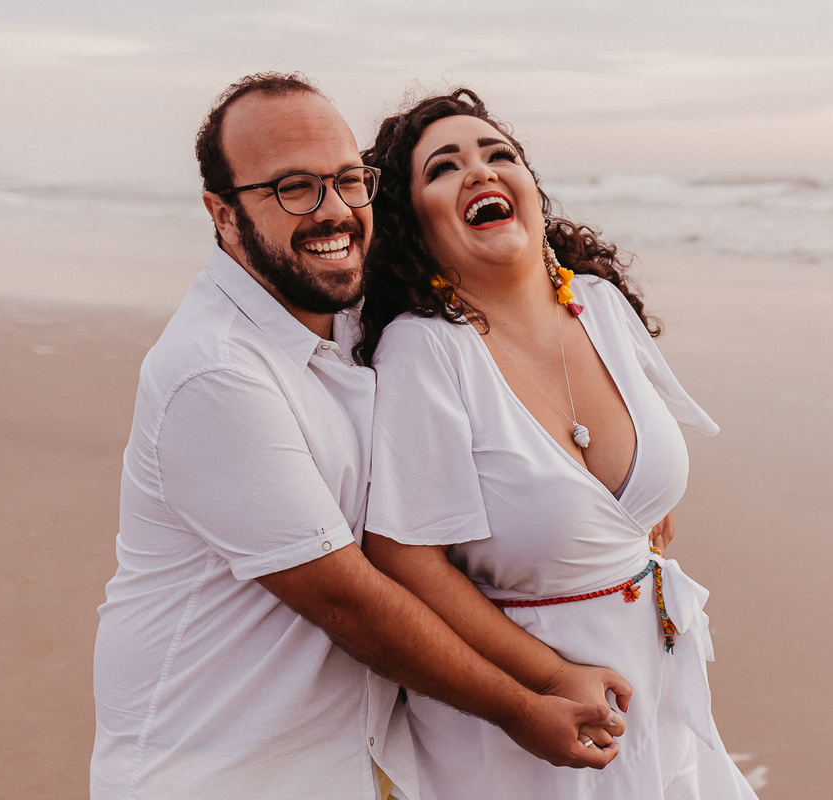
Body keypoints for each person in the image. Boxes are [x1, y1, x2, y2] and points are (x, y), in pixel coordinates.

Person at [90, 73, 629, 800]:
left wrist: (627, 479)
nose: (333, 212)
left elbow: (488, 292)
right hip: (210, 765)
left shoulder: (347, 314)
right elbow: (348, 602)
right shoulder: (215, 373)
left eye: (349, 181)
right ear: (222, 214)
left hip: (348, 760)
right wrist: (524, 705)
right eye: (293, 188)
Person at [357, 89, 761, 799]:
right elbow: (403, 558)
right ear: (413, 224)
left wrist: (632, 521)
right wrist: (548, 677)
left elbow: (634, 488)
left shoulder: (599, 305)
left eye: (498, 154)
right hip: (528, 719)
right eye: (443, 168)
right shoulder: (423, 350)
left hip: (654, 677)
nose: (480, 172)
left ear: (532, 193)